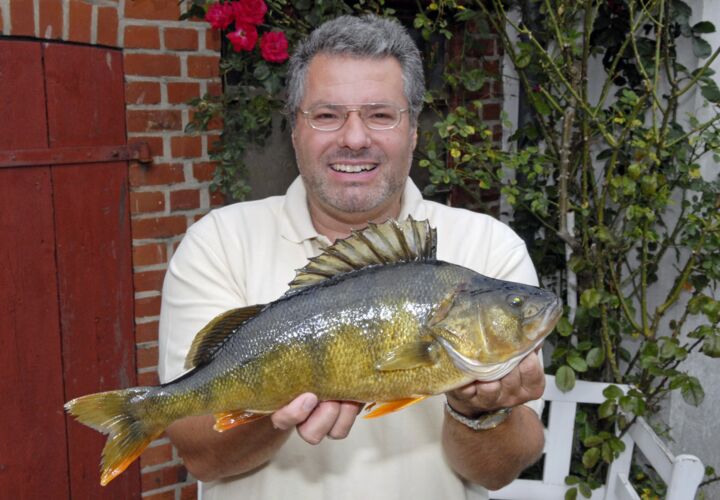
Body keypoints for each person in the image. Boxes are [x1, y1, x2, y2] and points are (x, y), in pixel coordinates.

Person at [158, 14, 545, 500]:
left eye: (381, 115)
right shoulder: (218, 243)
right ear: (295, 129)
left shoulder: (488, 249)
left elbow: (500, 471)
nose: (355, 138)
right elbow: (201, 454)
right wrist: (279, 408)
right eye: (327, 115)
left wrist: (479, 410)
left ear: (414, 131)